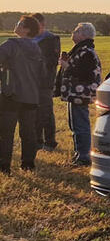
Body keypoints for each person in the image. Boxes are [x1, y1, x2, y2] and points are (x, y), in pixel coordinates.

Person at [0, 16, 45, 174]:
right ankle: (28, 164)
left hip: (11, 95)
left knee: (6, 133)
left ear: (25, 29)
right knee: (28, 132)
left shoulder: (11, 45)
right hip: (31, 96)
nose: (16, 25)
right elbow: (42, 74)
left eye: (19, 24)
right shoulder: (37, 48)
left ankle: (4, 166)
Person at [56, 23, 101, 166]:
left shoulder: (86, 52)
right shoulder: (82, 50)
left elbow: (85, 75)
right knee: (74, 124)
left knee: (80, 125)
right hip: (75, 93)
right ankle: (79, 154)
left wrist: (67, 66)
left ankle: (84, 156)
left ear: (82, 34)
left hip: (80, 94)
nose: (72, 33)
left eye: (75, 31)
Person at [31, 13, 61, 151]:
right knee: (34, 112)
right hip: (31, 81)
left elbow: (53, 61)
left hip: (45, 81)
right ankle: (37, 141)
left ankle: (50, 141)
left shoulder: (51, 39)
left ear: (42, 24)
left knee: (46, 111)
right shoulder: (31, 38)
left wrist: (36, 60)